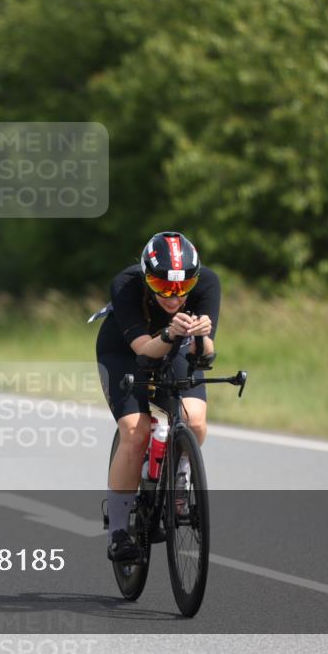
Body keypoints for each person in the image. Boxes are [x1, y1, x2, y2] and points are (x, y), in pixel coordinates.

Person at [95, 232, 220, 562]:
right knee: (136, 432)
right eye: (163, 286)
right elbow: (143, 354)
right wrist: (168, 332)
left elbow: (205, 356)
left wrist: (203, 337)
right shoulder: (125, 284)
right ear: (146, 274)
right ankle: (119, 532)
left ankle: (177, 475)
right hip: (124, 352)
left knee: (195, 421)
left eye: (182, 287)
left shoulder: (207, 283)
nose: (173, 296)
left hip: (177, 346)